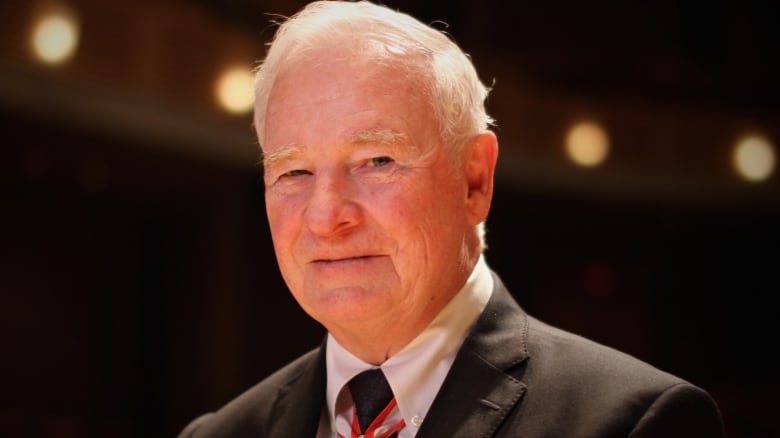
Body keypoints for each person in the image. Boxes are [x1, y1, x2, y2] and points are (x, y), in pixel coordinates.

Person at [179, 1, 726, 437]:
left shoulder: (636, 422)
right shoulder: (219, 433)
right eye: (293, 171)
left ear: (474, 181)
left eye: (377, 161)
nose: (325, 216)